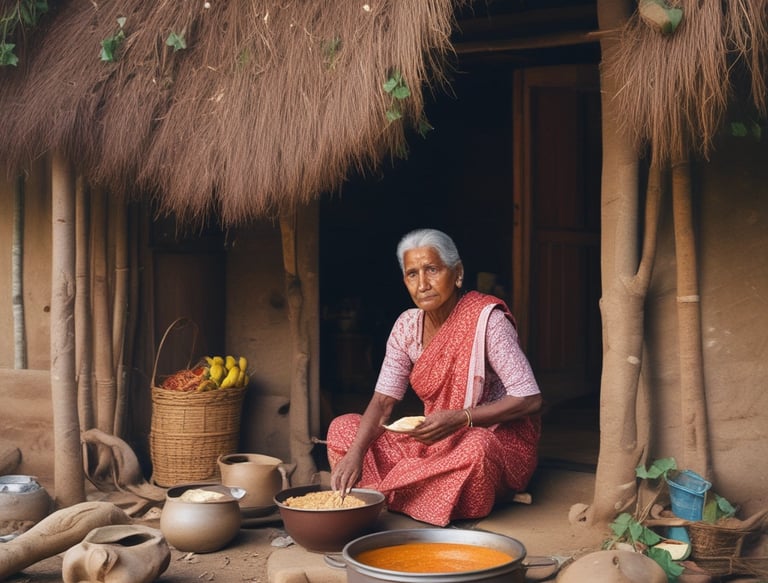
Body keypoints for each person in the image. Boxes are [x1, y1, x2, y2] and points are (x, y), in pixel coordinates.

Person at [326, 228, 542, 526]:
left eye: (432, 269)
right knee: (343, 430)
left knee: (476, 449)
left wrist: (460, 419)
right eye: (412, 274)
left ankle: (380, 492)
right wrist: (356, 453)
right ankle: (413, 491)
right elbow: (383, 401)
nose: (423, 284)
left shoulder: (487, 321)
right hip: (434, 440)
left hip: (492, 440)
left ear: (457, 273)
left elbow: (529, 399)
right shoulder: (406, 327)